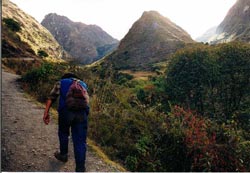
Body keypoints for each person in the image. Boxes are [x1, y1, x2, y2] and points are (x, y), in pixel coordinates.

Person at [43, 72, 89, 172]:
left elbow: (51, 98)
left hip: (66, 113)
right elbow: (86, 102)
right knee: (80, 141)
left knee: (63, 133)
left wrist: (46, 113)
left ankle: (63, 155)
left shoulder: (61, 82)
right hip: (81, 115)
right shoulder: (83, 84)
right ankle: (80, 168)